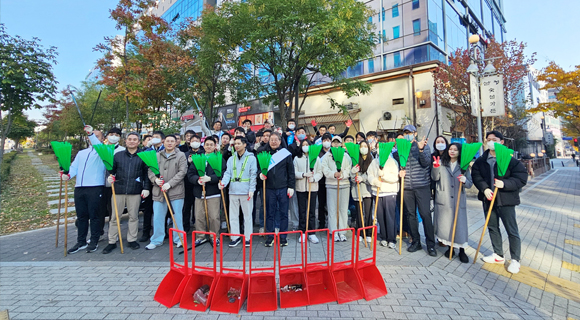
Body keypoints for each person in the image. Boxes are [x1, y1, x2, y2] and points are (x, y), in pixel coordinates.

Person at [472, 131, 527, 274]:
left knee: (511, 230)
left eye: (494, 139)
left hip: (506, 200)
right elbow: (476, 176)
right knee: (492, 227)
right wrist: (484, 189)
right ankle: (498, 254)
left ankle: (515, 259)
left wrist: (505, 184)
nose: (491, 142)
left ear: (502, 142)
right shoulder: (481, 161)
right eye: (488, 140)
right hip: (488, 199)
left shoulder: (510, 160)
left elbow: (521, 178)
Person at [102, 132, 151, 254]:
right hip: (118, 189)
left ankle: (132, 239)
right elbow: (111, 170)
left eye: (135, 139)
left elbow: (146, 174)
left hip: (135, 190)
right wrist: (110, 177)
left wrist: (146, 188)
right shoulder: (118, 155)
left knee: (133, 216)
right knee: (114, 217)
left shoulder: (143, 156)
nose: (132, 141)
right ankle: (112, 241)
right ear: (126, 141)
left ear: (138, 142)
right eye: (130, 139)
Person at [61, 129, 106, 254]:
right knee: (81, 216)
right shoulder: (81, 153)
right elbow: (74, 167)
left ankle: (94, 240)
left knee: (94, 216)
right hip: (80, 187)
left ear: (102, 139)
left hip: (95, 186)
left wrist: (92, 134)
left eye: (97, 136)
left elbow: (97, 145)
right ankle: (81, 241)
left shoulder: (102, 150)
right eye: (91, 136)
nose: (92, 138)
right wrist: (68, 175)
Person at [431, 143, 472, 263]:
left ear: (459, 152)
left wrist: (465, 181)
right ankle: (450, 248)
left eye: (455, 150)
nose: (452, 151)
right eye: (450, 149)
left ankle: (462, 250)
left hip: (458, 200)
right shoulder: (443, 164)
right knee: (448, 225)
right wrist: (436, 167)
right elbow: (434, 178)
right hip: (445, 199)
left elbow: (470, 183)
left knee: (460, 225)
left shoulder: (464, 166)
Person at [399, 125, 436, 256]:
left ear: (415, 133)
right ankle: (416, 241)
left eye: (410, 132)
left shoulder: (424, 145)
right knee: (410, 215)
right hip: (407, 186)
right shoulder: (401, 148)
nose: (408, 135)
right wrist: (400, 172)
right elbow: (399, 164)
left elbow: (426, 163)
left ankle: (431, 244)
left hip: (422, 185)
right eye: (406, 133)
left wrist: (420, 150)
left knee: (425, 214)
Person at [145, 135, 188, 250]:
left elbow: (182, 172)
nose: (169, 143)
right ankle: (156, 240)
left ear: (176, 143)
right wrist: (155, 180)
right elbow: (150, 170)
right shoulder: (157, 155)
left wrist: (170, 184)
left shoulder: (181, 155)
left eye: (172, 141)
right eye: (167, 141)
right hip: (159, 191)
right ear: (163, 142)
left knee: (177, 216)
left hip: (176, 191)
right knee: (158, 216)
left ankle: (179, 239)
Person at [188, 137, 225, 247]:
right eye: (207, 144)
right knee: (199, 216)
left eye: (211, 144)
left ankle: (215, 236)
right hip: (199, 191)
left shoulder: (219, 158)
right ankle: (200, 236)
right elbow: (190, 174)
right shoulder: (197, 158)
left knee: (214, 216)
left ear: (215, 146)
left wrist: (210, 178)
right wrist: (197, 180)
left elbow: (222, 173)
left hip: (213, 192)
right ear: (203, 146)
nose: (209, 146)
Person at [220, 136, 258, 247]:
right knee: (233, 216)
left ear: (245, 144)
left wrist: (252, 189)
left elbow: (253, 175)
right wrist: (223, 183)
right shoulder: (231, 159)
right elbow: (227, 173)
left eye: (239, 143)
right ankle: (235, 236)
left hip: (246, 191)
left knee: (247, 216)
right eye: (235, 144)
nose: (236, 145)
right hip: (233, 190)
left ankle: (247, 237)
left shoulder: (251, 158)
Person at [260, 132, 295, 247]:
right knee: (270, 213)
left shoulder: (286, 154)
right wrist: (260, 176)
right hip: (269, 188)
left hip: (283, 188)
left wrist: (291, 186)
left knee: (284, 213)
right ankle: (270, 236)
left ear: (280, 141)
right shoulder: (263, 153)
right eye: (271, 139)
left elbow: (291, 172)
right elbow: (259, 170)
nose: (273, 141)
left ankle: (283, 236)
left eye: (276, 139)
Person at [367, 143, 400, 248]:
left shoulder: (393, 162)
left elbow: (395, 178)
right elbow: (370, 175)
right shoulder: (374, 162)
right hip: (377, 192)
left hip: (389, 192)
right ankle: (384, 237)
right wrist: (375, 181)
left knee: (390, 216)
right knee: (380, 216)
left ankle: (392, 239)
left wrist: (384, 175)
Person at [321, 135, 352, 242]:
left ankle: (342, 231)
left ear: (341, 144)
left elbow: (349, 168)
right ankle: (334, 231)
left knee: (343, 209)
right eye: (334, 142)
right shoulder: (327, 156)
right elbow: (324, 169)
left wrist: (342, 175)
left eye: (338, 142)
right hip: (331, 185)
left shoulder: (346, 156)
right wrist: (333, 174)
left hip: (344, 184)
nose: (336, 144)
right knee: (332, 209)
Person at [293, 139, 323, 243]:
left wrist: (314, 178)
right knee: (302, 210)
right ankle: (302, 231)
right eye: (303, 145)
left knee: (311, 211)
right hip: (301, 187)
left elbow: (320, 172)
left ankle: (311, 232)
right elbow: (294, 172)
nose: (305, 146)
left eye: (307, 145)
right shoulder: (297, 158)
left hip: (313, 187)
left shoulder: (316, 158)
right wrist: (303, 174)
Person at [350, 140, 373, 243]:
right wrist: (353, 173)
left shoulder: (371, 159)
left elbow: (372, 175)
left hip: (367, 190)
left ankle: (368, 232)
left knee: (368, 212)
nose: (363, 148)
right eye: (361, 146)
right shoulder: (354, 159)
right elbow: (350, 177)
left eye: (365, 146)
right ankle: (360, 231)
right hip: (357, 190)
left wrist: (363, 178)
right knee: (359, 212)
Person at [183, 134, 204, 232]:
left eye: (197, 140)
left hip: (200, 184)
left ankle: (198, 225)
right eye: (193, 141)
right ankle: (186, 226)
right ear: (189, 143)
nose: (195, 142)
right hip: (187, 184)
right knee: (187, 206)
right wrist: (188, 162)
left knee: (198, 207)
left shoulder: (203, 154)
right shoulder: (185, 154)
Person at [317, 133, 332, 229]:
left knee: (331, 203)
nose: (326, 142)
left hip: (331, 181)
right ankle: (321, 221)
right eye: (324, 140)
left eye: (328, 140)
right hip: (321, 182)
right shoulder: (318, 152)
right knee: (321, 203)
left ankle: (331, 222)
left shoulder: (334, 152)